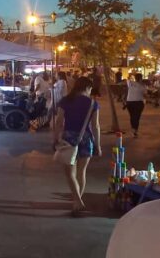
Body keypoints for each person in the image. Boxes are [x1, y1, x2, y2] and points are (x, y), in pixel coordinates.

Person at [54, 77, 101, 216]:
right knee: (82, 172)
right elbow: (96, 126)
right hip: (86, 140)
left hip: (68, 139)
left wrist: (56, 139)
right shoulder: (93, 103)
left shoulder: (66, 101)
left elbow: (59, 122)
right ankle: (77, 201)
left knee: (70, 173)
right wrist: (98, 145)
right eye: (90, 88)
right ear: (87, 88)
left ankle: (77, 201)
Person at [125, 73, 147, 139]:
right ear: (141, 78)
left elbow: (127, 79)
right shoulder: (143, 86)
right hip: (138, 102)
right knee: (137, 117)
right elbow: (145, 95)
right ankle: (135, 130)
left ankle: (133, 129)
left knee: (132, 116)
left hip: (129, 102)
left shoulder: (130, 83)